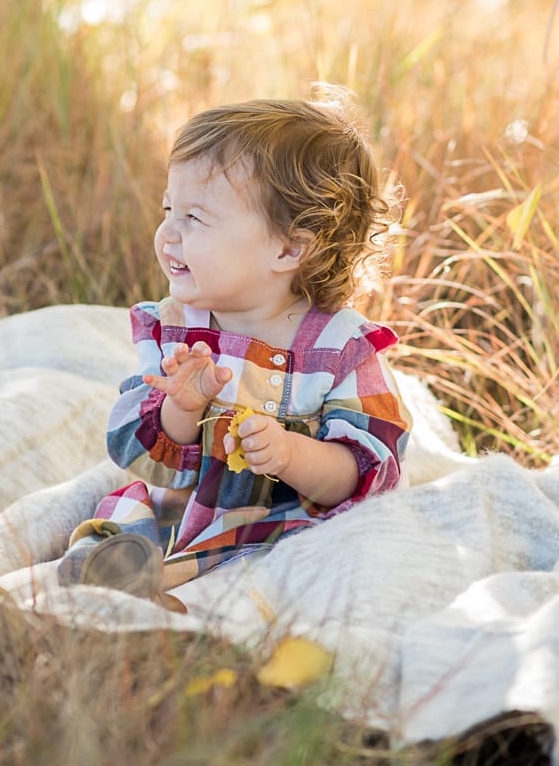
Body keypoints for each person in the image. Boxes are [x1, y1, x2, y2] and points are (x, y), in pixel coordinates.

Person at [56, 90, 412, 598]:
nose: (167, 234)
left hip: (277, 533)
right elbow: (138, 455)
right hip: (177, 515)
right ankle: (70, 576)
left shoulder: (338, 350)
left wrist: (290, 454)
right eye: (168, 209)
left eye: (194, 218)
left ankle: (149, 593)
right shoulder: (175, 328)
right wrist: (181, 408)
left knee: (286, 575)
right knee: (118, 519)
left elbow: (368, 474)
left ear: (290, 247)